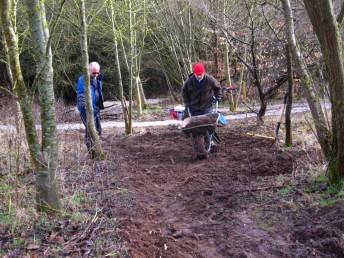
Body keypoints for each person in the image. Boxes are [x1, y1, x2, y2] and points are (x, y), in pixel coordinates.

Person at [182, 62, 222, 160]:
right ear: (194, 73)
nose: (199, 76)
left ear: (203, 73)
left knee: (208, 126)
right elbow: (184, 92)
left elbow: (218, 88)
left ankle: (211, 141)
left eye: (201, 74)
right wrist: (188, 103)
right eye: (197, 75)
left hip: (206, 105)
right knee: (196, 127)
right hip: (194, 107)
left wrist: (218, 97)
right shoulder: (189, 81)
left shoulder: (209, 79)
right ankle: (199, 144)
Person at [77, 62, 104, 150]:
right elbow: (81, 95)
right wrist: (86, 109)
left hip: (96, 108)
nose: (96, 75)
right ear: (88, 71)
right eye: (93, 73)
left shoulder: (98, 79)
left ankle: (95, 148)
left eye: (97, 72)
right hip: (87, 110)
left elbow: (98, 93)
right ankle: (92, 151)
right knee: (91, 130)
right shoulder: (83, 80)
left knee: (98, 130)